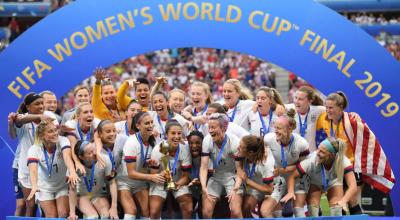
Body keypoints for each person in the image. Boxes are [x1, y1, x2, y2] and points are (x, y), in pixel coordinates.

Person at [316, 91, 395, 214]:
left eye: (331, 107)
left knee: (352, 200)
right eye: (326, 107)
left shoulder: (351, 120)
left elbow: (368, 139)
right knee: (337, 200)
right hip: (336, 166)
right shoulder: (323, 119)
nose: (328, 110)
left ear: (340, 107)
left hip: (352, 166)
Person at [281, 137, 357, 216]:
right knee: (313, 212)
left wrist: (344, 200)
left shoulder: (344, 161)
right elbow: (292, 176)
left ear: (332, 155)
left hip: (334, 182)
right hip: (315, 183)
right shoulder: (311, 160)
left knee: (336, 210)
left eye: (322, 152)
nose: (317, 153)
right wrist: (290, 192)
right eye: (318, 149)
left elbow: (353, 186)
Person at [13, 93, 59, 216]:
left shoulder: (49, 115)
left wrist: (43, 117)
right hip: (27, 169)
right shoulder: (23, 117)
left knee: (47, 206)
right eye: (37, 104)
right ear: (28, 106)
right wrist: (39, 116)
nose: (41, 106)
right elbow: (17, 120)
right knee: (31, 206)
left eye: (42, 103)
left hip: (45, 168)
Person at [262, 109, 310, 217]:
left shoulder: (301, 144)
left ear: (289, 129)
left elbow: (304, 166)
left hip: (298, 177)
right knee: (265, 211)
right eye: (275, 127)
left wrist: (286, 169)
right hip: (279, 178)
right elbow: (264, 158)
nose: (275, 131)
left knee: (298, 211)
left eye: (279, 128)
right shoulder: (268, 139)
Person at [200, 113, 244, 218]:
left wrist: (235, 189)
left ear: (224, 128)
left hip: (233, 177)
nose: (210, 130)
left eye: (213, 127)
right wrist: (203, 186)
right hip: (216, 177)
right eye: (209, 127)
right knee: (206, 212)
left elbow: (240, 171)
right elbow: (203, 167)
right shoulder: (207, 140)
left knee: (236, 212)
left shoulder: (235, 143)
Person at [26, 118, 73, 217]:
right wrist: (34, 185)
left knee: (63, 213)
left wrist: (72, 171)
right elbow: (33, 170)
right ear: (42, 135)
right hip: (44, 188)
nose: (55, 133)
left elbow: (67, 157)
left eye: (55, 130)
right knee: (51, 216)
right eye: (50, 131)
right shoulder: (34, 149)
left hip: (62, 186)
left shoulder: (63, 140)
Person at [117, 112, 159, 219]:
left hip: (140, 183)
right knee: (131, 211)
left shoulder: (153, 141)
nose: (150, 125)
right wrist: (151, 177)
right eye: (146, 123)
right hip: (124, 182)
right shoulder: (132, 142)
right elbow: (131, 173)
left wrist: (148, 163)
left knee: (147, 212)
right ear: (138, 126)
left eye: (151, 122)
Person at [149, 120, 193, 219]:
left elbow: (186, 177)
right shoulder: (159, 149)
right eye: (173, 133)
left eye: (179, 133)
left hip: (178, 180)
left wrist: (178, 184)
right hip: (160, 182)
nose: (176, 136)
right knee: (154, 211)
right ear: (166, 135)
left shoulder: (184, 149)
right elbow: (153, 174)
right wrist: (161, 175)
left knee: (188, 207)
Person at [68, 140, 118, 219]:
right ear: (81, 157)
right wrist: (72, 213)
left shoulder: (104, 159)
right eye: (90, 153)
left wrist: (114, 207)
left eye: (94, 149)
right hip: (82, 196)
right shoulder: (74, 167)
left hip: (99, 195)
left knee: (106, 216)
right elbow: (72, 190)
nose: (94, 154)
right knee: (92, 217)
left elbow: (112, 183)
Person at [238, 135, 275, 218]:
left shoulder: (266, 164)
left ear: (250, 152)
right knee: (244, 209)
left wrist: (248, 181)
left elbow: (269, 190)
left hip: (269, 187)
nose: (237, 148)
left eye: (241, 147)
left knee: (263, 212)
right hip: (253, 185)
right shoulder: (245, 153)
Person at [65, 102, 101, 175]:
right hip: (77, 156)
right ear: (78, 116)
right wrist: (77, 162)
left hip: (92, 155)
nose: (89, 114)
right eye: (85, 112)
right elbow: (73, 147)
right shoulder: (70, 125)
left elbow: (97, 141)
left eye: (91, 112)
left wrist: (98, 154)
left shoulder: (96, 122)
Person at [285, 86, 325, 152]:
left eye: (300, 99)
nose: (296, 101)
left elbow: (333, 109)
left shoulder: (317, 110)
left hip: (311, 156)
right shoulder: (289, 108)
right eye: (295, 98)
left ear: (310, 101)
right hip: (294, 156)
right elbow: (275, 106)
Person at [187, 131, 204, 218]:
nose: (194, 146)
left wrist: (200, 183)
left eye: (198, 143)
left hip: (203, 190)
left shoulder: (207, 158)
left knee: (203, 210)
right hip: (190, 190)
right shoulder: (184, 156)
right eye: (191, 143)